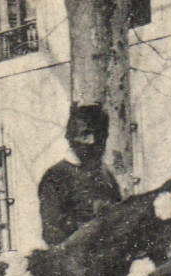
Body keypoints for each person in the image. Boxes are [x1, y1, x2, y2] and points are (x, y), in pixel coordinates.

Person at [38, 104, 122, 246]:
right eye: (85, 134)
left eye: (100, 134)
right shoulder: (56, 177)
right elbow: (52, 233)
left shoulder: (106, 176)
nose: (93, 141)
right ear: (70, 136)